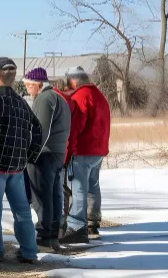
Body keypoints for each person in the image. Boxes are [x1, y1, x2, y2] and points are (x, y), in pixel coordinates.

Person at [0, 57, 43, 264]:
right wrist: (28, 156)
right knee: (22, 212)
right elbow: (38, 130)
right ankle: (29, 252)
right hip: (17, 169)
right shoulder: (22, 103)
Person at [23, 67, 71, 251]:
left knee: (41, 197)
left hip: (44, 154)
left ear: (38, 84)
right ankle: (52, 236)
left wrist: (31, 153)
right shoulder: (60, 98)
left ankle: (44, 237)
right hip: (57, 153)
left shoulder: (44, 99)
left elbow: (41, 131)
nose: (26, 89)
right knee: (53, 195)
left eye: (28, 85)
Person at [61, 66, 111, 244]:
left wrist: (68, 151)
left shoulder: (81, 97)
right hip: (98, 149)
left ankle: (76, 226)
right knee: (93, 185)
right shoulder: (99, 96)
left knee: (78, 187)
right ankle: (92, 220)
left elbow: (75, 127)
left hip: (83, 150)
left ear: (73, 80)